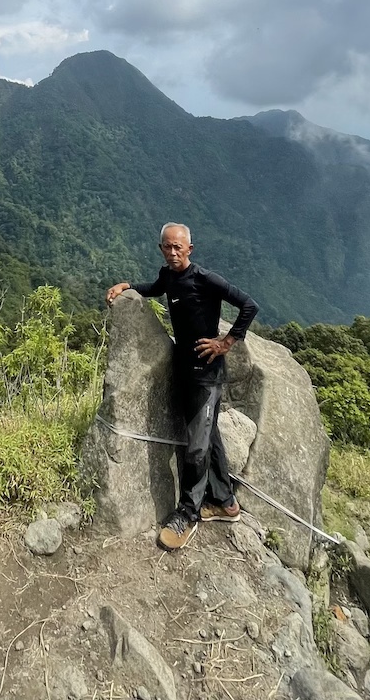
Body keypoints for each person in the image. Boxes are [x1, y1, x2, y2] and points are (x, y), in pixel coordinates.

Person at [106, 222, 259, 551]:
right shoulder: (169, 275)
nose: (173, 253)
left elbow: (249, 306)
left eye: (179, 247)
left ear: (190, 249)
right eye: (167, 247)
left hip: (207, 377)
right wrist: (127, 286)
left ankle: (188, 514)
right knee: (208, 435)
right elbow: (156, 287)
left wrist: (226, 342)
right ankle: (226, 503)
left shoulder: (206, 279)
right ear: (161, 247)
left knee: (196, 447)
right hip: (186, 373)